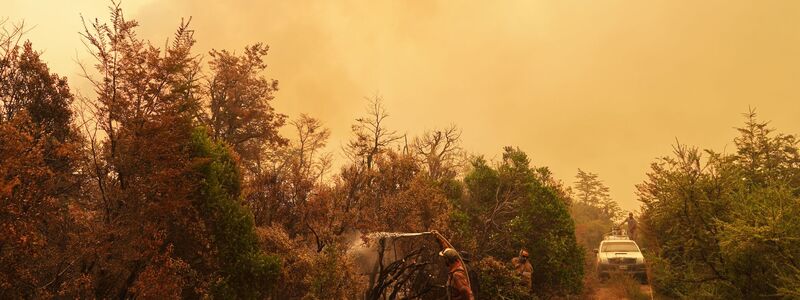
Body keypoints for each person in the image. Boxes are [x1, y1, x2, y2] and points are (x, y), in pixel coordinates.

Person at [430, 231, 474, 300]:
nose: (444, 260)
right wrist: (438, 238)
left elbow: (466, 293)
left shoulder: (457, 275)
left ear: (447, 260)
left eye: (444, 258)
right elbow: (448, 251)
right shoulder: (457, 262)